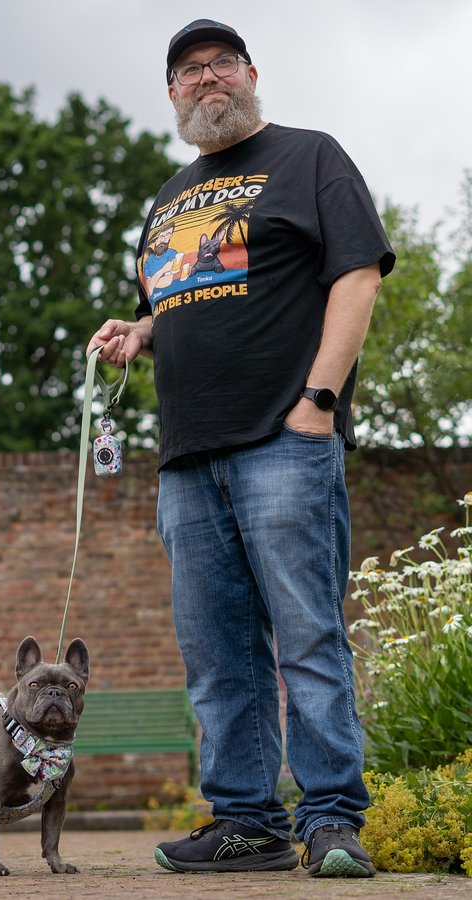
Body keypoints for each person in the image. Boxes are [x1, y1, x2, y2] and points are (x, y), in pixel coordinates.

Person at [87, 19, 395, 878]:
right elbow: (197, 295)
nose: (207, 77)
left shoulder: (310, 157)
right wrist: (141, 331)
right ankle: (246, 822)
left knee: (307, 638)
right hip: (187, 457)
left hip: (285, 440)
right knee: (218, 654)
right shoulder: (168, 197)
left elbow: (358, 273)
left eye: (222, 62)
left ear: (251, 73)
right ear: (174, 95)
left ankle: (332, 819)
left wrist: (319, 403)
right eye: (189, 70)